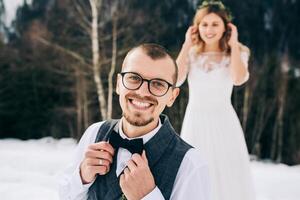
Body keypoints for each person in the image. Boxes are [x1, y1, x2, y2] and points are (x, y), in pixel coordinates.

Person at [59, 43, 210, 200]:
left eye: (158, 84)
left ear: (172, 96)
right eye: (134, 78)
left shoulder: (191, 165)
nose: (142, 92)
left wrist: (148, 196)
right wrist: (82, 176)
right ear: (118, 84)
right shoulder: (95, 133)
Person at [176, 1, 256, 200]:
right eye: (204, 24)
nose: (209, 29)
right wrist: (186, 45)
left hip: (224, 121)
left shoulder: (238, 53)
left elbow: (238, 78)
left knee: (228, 170)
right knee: (194, 170)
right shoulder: (191, 54)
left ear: (225, 27)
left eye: (215, 24)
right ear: (197, 27)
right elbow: (175, 80)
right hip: (195, 119)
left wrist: (234, 44)